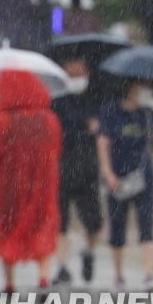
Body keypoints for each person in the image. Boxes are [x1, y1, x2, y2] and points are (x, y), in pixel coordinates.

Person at [0, 69, 61, 293]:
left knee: (7, 227)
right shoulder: (49, 119)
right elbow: (56, 149)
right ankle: (43, 280)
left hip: (8, 185)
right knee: (41, 226)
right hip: (42, 183)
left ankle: (10, 284)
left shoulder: (3, 120)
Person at [97, 78, 153, 291]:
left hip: (144, 177)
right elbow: (103, 142)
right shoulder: (111, 112)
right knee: (117, 226)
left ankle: (148, 275)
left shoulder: (147, 114)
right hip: (118, 177)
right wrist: (108, 172)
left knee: (147, 224)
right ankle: (119, 275)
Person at [51, 57, 103, 285]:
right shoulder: (56, 101)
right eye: (70, 70)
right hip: (61, 167)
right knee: (60, 222)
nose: (74, 74)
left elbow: (105, 133)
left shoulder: (96, 100)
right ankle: (62, 267)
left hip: (88, 168)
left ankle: (89, 253)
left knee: (94, 223)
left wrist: (97, 129)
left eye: (79, 70)